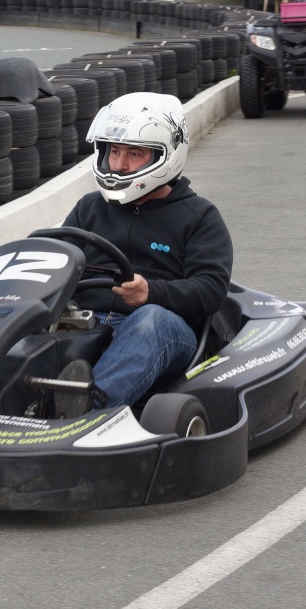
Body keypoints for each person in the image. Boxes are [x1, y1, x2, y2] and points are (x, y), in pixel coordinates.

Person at [62, 92, 233, 407]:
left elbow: (211, 289)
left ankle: (87, 409)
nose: (119, 165)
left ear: (164, 157)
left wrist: (151, 293)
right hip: (87, 320)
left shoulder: (198, 216)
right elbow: (57, 258)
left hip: (163, 331)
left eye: (134, 154)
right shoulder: (89, 209)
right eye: (114, 152)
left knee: (151, 320)